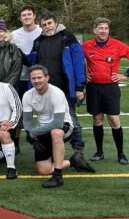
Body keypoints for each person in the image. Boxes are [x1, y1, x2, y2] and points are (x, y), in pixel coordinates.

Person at [23, 65, 95, 188]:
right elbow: (27, 122)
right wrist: (32, 137)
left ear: (47, 78)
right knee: (43, 170)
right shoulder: (28, 95)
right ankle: (73, 161)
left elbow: (57, 123)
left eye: (39, 77)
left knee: (56, 133)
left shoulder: (56, 93)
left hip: (64, 127)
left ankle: (57, 176)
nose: (36, 81)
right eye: (33, 78)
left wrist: (34, 132)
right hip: (43, 130)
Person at [82, 17, 129, 164]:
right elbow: (74, 59)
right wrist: (83, 74)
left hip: (111, 88)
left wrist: (126, 74)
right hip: (93, 87)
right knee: (97, 119)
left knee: (114, 119)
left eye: (106, 28)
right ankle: (99, 152)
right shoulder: (86, 46)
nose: (103, 31)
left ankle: (121, 153)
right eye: (100, 28)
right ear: (94, 30)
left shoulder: (117, 45)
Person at [28, 12, 86, 160]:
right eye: (44, 25)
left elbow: (79, 62)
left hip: (64, 88)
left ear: (56, 23)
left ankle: (79, 150)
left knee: (71, 119)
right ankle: (52, 148)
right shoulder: (38, 41)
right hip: (44, 90)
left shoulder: (68, 37)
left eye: (49, 23)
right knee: (46, 119)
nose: (47, 27)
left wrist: (80, 87)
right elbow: (32, 62)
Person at [11, 5, 42, 98]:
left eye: (29, 14)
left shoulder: (42, 31)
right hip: (21, 77)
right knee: (23, 107)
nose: (27, 17)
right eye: (24, 15)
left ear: (34, 16)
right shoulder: (14, 35)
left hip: (40, 77)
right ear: (20, 18)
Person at [0, 19, 23, 89]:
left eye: (1, 31)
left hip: (9, 88)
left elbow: (16, 71)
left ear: (5, 33)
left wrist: (3, 87)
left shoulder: (13, 48)